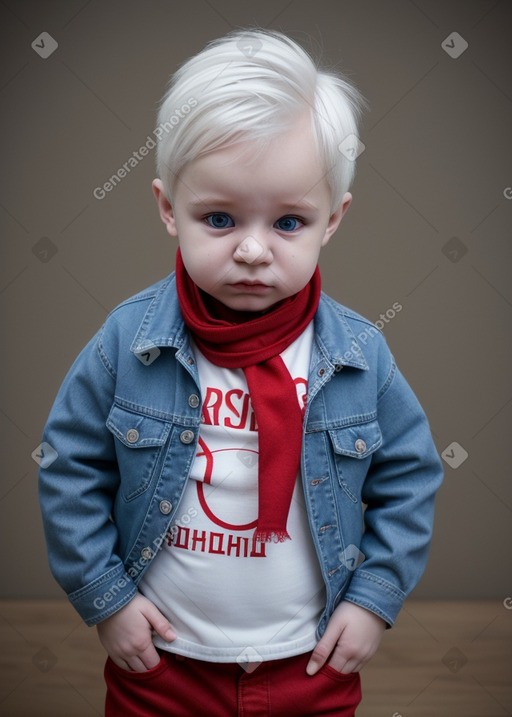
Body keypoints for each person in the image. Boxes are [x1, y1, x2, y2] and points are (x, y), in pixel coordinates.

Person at [38, 28, 444, 716]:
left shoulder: (357, 355)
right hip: (162, 661)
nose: (254, 250)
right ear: (169, 209)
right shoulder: (129, 342)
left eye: (289, 222)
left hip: (308, 661)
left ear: (332, 222)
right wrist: (105, 597)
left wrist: (375, 600)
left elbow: (411, 478)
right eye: (219, 218)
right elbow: (68, 466)